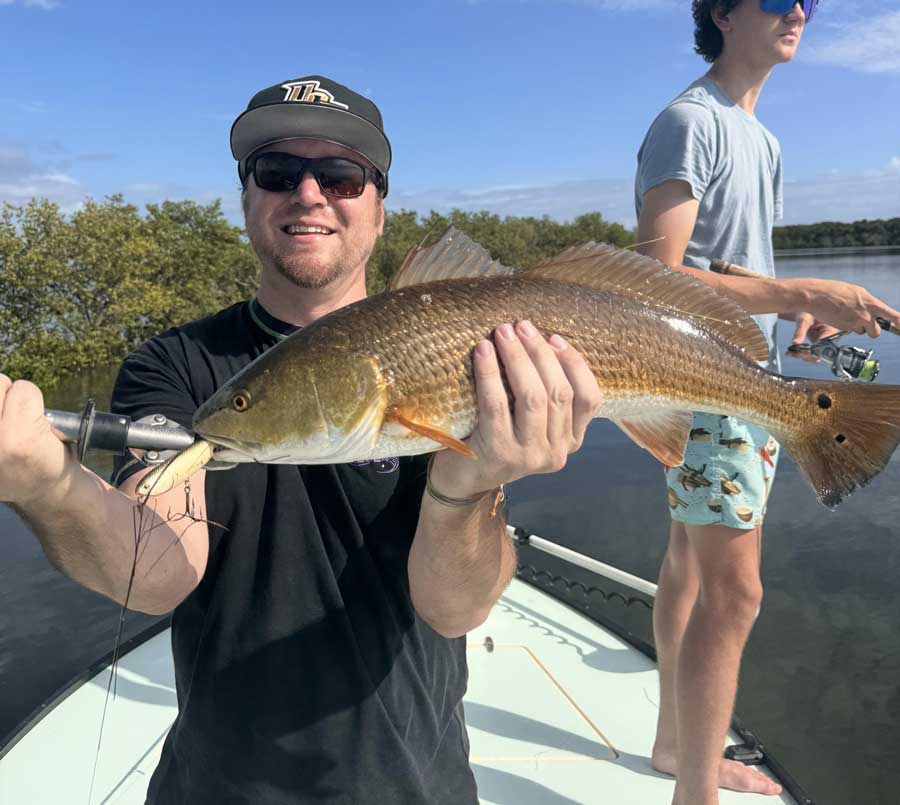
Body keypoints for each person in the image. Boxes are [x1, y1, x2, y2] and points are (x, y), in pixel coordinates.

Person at [0, 75, 603, 804]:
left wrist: (468, 484)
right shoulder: (174, 366)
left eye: (343, 175)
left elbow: (456, 609)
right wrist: (44, 482)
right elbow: (156, 568)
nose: (309, 193)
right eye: (277, 172)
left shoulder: (456, 356)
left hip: (420, 784)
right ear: (248, 200)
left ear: (380, 210)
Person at [634, 3, 900, 805]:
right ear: (721, 12)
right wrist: (797, 287)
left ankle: (675, 749)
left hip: (745, 375)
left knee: (689, 565)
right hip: (702, 380)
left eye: (808, 0)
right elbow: (656, 277)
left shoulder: (764, 139)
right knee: (736, 591)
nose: (798, 11)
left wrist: (799, 312)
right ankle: (695, 792)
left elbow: (735, 268)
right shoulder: (690, 121)